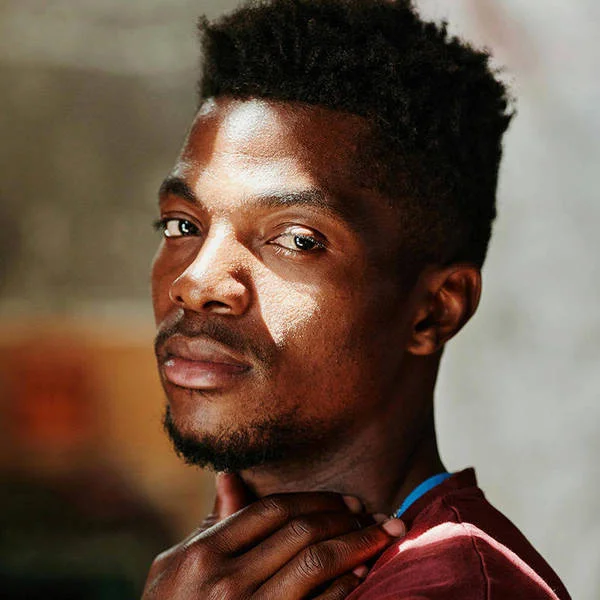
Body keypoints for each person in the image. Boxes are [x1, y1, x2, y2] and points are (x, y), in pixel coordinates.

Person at [143, 1, 571, 598]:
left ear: (435, 309)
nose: (196, 282)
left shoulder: (451, 585)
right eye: (182, 225)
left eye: (297, 239)